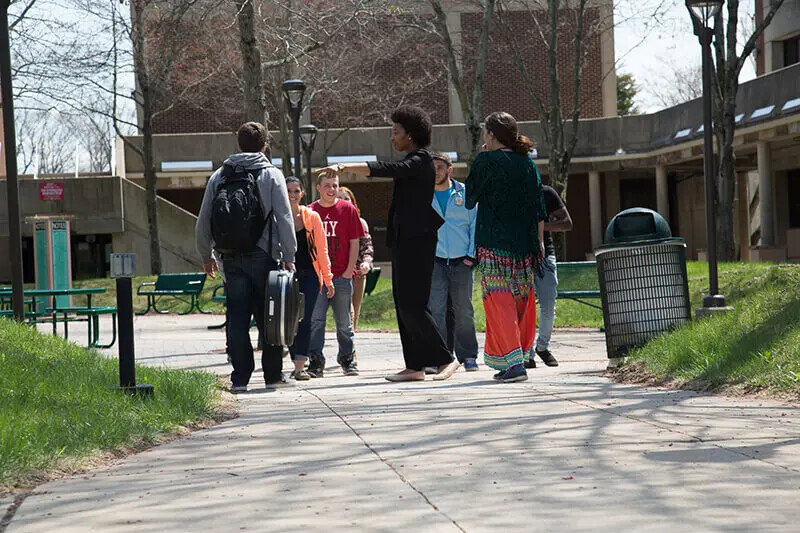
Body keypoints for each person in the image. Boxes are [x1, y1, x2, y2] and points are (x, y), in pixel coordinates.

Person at [318, 105, 459, 382]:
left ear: (411, 135)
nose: (391, 138)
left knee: (413, 304)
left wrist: (345, 167)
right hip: (405, 240)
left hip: (419, 240)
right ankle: (415, 366)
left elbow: (389, 168)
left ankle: (445, 358)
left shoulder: (421, 160)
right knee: (403, 302)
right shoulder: (414, 159)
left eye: (395, 132)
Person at [195, 121, 296, 392]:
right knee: (270, 317)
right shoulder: (271, 174)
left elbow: (203, 219)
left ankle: (240, 378)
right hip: (263, 255)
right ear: (264, 146)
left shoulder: (219, 176)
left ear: (238, 145)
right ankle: (273, 375)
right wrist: (290, 254)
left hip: (230, 257)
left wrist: (206, 255)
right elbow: (284, 217)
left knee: (237, 316)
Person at [465, 111, 546, 383]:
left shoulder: (487, 161)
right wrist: (541, 242)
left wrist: (482, 158)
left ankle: (514, 364)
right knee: (522, 301)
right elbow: (539, 209)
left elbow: (469, 199)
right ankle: (520, 357)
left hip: (494, 242)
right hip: (525, 245)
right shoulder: (528, 164)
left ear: (490, 135)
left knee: (499, 302)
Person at [423, 151, 479, 373]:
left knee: (464, 309)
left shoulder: (466, 194)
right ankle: (442, 356)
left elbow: (475, 225)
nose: (435, 172)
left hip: (461, 261)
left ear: (449, 170)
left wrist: (471, 255)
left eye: (439, 167)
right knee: (436, 309)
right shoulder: (424, 195)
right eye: (432, 168)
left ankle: (468, 356)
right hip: (435, 261)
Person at [306, 173, 364, 378]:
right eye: (327, 185)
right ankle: (315, 361)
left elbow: (355, 241)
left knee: (344, 323)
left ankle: (347, 359)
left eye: (335, 185)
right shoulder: (310, 211)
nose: (332, 189)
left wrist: (350, 270)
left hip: (341, 275)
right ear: (318, 188)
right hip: (319, 277)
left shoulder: (347, 209)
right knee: (316, 321)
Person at [285, 177, 335, 381]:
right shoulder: (278, 217)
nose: (293, 195)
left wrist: (328, 278)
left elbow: (322, 250)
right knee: (288, 321)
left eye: (296, 191)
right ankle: (295, 357)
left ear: (302, 193)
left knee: (305, 320)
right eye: (289, 191)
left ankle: (299, 366)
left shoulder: (312, 217)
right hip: (286, 276)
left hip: (310, 276)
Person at [525, 178, 573, 369]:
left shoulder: (546, 193)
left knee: (548, 305)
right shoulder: (509, 192)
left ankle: (542, 347)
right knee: (524, 307)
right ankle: (526, 352)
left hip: (545, 257)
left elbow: (567, 223)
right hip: (519, 256)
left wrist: (540, 226)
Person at [336, 186, 374, 330]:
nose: (343, 201)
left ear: (353, 203)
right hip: (340, 273)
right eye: (339, 198)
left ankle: (351, 341)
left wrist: (366, 262)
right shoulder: (329, 222)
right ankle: (348, 346)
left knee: (355, 311)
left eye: (346, 198)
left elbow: (367, 247)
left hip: (358, 272)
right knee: (347, 309)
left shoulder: (360, 223)